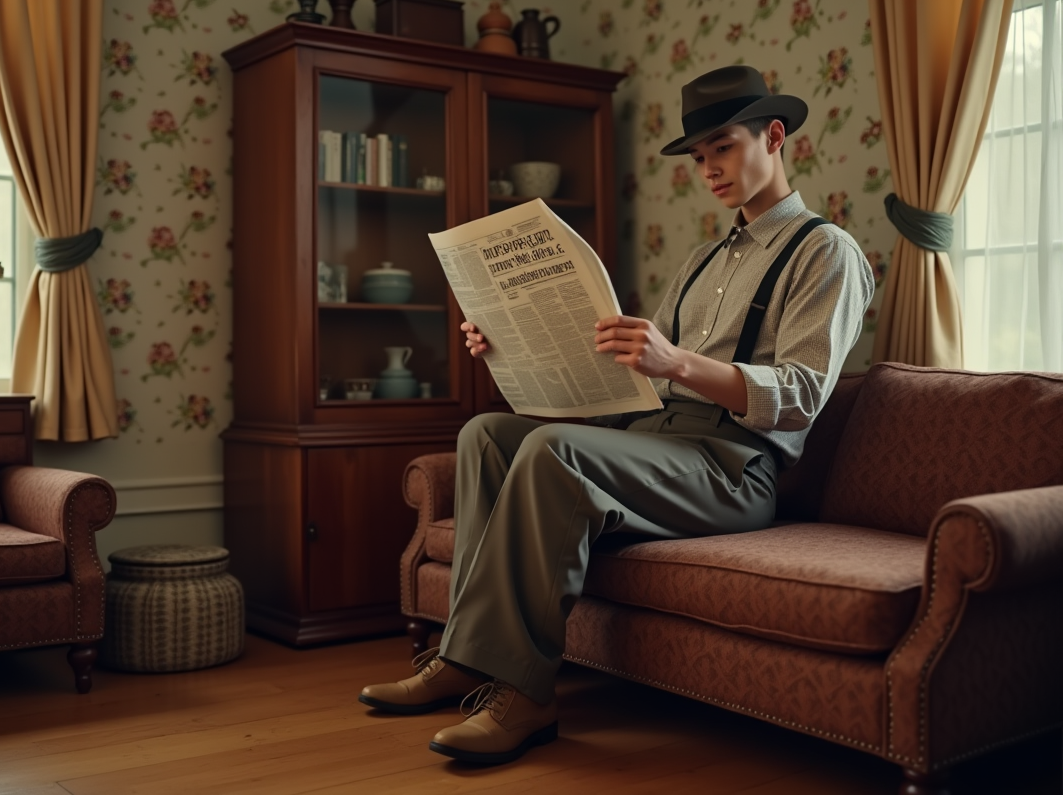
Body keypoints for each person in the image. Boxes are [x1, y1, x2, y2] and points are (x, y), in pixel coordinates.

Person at [358, 65, 875, 766]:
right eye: (699, 157)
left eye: (721, 147)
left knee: (555, 454)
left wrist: (678, 364)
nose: (709, 169)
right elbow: (631, 378)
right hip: (653, 439)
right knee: (488, 435)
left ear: (774, 135)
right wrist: (510, 349)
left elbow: (804, 392)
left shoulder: (826, 252)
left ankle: (525, 694)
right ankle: (465, 659)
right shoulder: (701, 262)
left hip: (734, 468)